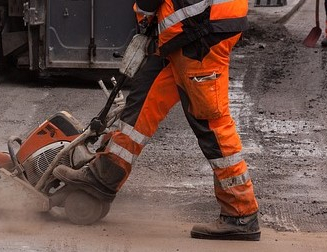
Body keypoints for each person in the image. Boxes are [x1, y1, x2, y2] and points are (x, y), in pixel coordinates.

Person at [53, 0, 260, 241]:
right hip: (186, 30)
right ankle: (103, 178)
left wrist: (144, 15)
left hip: (201, 31)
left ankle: (241, 214)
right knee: (141, 104)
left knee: (211, 123)